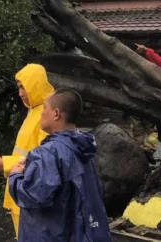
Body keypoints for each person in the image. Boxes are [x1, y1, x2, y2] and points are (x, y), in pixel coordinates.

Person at [9, 89, 111, 242]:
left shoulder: (48, 153)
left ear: (56, 114)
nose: (41, 114)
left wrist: (15, 176)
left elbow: (33, 195)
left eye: (44, 109)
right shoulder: (84, 148)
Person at [0, 64, 54, 238]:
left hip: (30, 195)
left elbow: (43, 159)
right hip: (23, 191)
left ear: (35, 84)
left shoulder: (45, 113)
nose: (20, 93)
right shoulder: (34, 111)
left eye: (23, 87)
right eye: (19, 87)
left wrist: (3, 164)